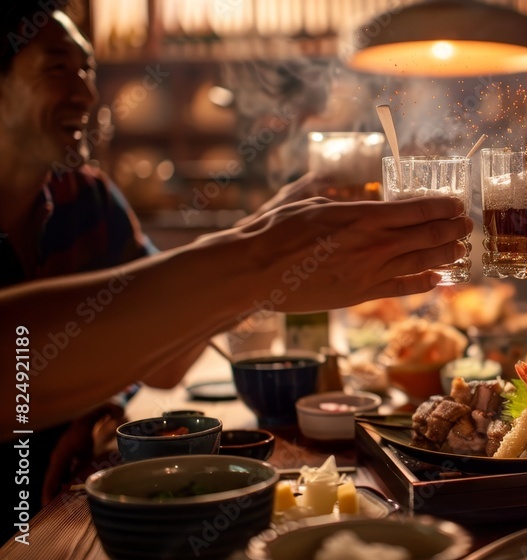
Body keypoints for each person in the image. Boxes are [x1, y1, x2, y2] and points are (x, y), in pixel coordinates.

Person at [0, 2, 471, 531]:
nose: (86, 93)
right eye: (58, 68)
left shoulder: (84, 199)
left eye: (88, 70)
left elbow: (165, 364)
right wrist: (262, 256)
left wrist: (265, 232)